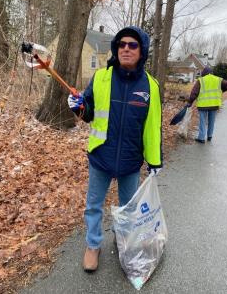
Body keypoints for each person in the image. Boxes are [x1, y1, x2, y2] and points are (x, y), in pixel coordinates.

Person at [67, 26, 162, 272]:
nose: (126, 49)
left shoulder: (151, 87)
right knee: (93, 205)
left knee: (128, 208)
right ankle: (93, 245)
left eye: (132, 45)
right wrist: (78, 106)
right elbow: (87, 112)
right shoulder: (101, 78)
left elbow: (152, 128)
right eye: (121, 44)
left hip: (131, 161)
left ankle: (123, 242)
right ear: (116, 49)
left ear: (142, 51)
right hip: (101, 156)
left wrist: (154, 161)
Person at [188, 66, 227, 143]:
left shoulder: (201, 80)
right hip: (214, 104)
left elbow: (194, 92)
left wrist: (190, 102)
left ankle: (201, 138)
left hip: (203, 105)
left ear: (203, 73)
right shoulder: (218, 79)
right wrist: (221, 91)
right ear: (211, 72)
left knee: (203, 121)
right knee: (211, 121)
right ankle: (209, 136)